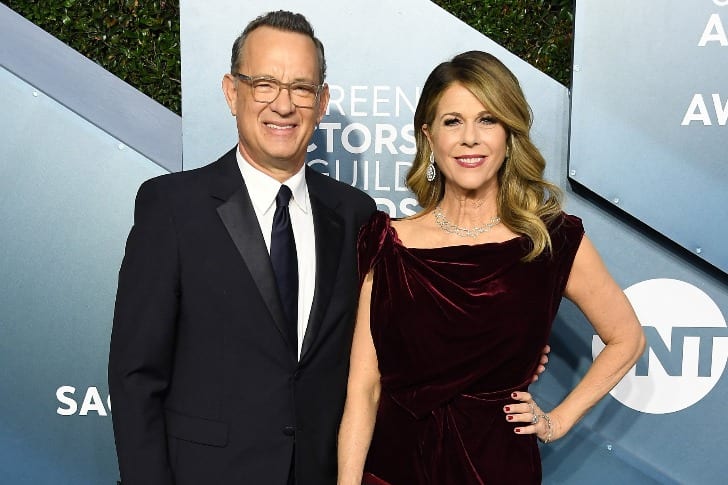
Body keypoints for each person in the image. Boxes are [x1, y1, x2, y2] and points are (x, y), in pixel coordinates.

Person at [337, 51, 646, 485]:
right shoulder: (387, 242)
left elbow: (628, 338)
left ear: (508, 134)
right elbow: (364, 389)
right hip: (395, 468)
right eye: (452, 121)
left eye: (487, 120)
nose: (470, 138)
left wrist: (556, 421)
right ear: (428, 136)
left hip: (497, 468)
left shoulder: (549, 241)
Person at [108, 11, 376, 485]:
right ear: (232, 92)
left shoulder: (356, 214)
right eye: (265, 84)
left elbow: (375, 357)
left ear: (321, 102)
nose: (283, 105)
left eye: (301, 88)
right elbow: (136, 377)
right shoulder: (172, 207)